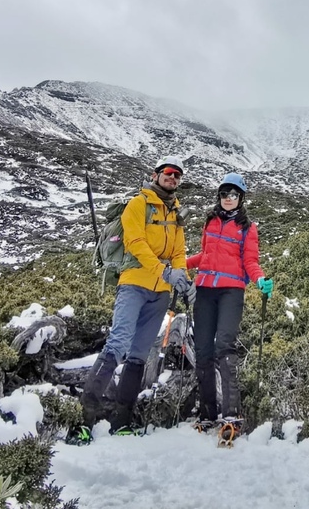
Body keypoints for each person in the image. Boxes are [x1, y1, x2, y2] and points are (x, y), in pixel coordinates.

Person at [80, 156, 192, 436]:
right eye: (168, 172)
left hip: (160, 294)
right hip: (134, 284)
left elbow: (179, 252)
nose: (173, 178)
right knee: (117, 345)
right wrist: (163, 271)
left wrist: (182, 278)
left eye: (178, 175)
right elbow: (135, 242)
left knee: (139, 355)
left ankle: (122, 422)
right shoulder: (138, 204)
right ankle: (84, 420)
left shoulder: (175, 213)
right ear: (155, 175)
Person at [186, 172, 273, 435]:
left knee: (224, 347)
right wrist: (183, 264)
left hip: (231, 292)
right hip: (204, 290)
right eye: (224, 193)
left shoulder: (248, 227)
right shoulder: (210, 221)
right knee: (202, 351)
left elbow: (250, 261)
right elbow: (206, 254)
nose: (228, 198)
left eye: (234, 194)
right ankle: (207, 414)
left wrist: (259, 279)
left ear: (241, 198)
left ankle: (231, 415)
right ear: (219, 195)